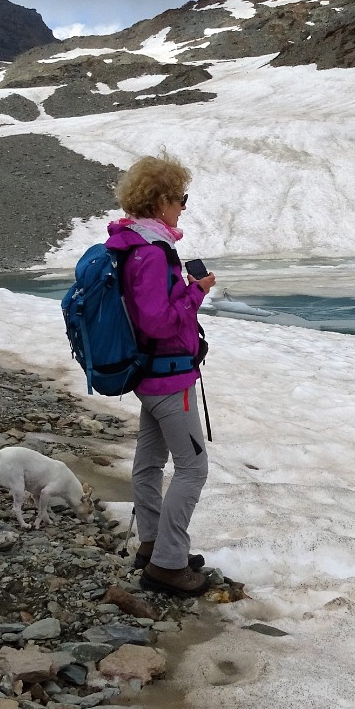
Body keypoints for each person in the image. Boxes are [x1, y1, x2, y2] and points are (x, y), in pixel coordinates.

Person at [105, 154, 216, 597]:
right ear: (162, 199)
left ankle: (151, 545)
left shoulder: (132, 245)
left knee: (149, 464)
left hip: (150, 378)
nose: (183, 207)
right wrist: (196, 292)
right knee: (193, 469)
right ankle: (168, 564)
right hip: (170, 381)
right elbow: (157, 321)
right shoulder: (151, 254)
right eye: (181, 199)